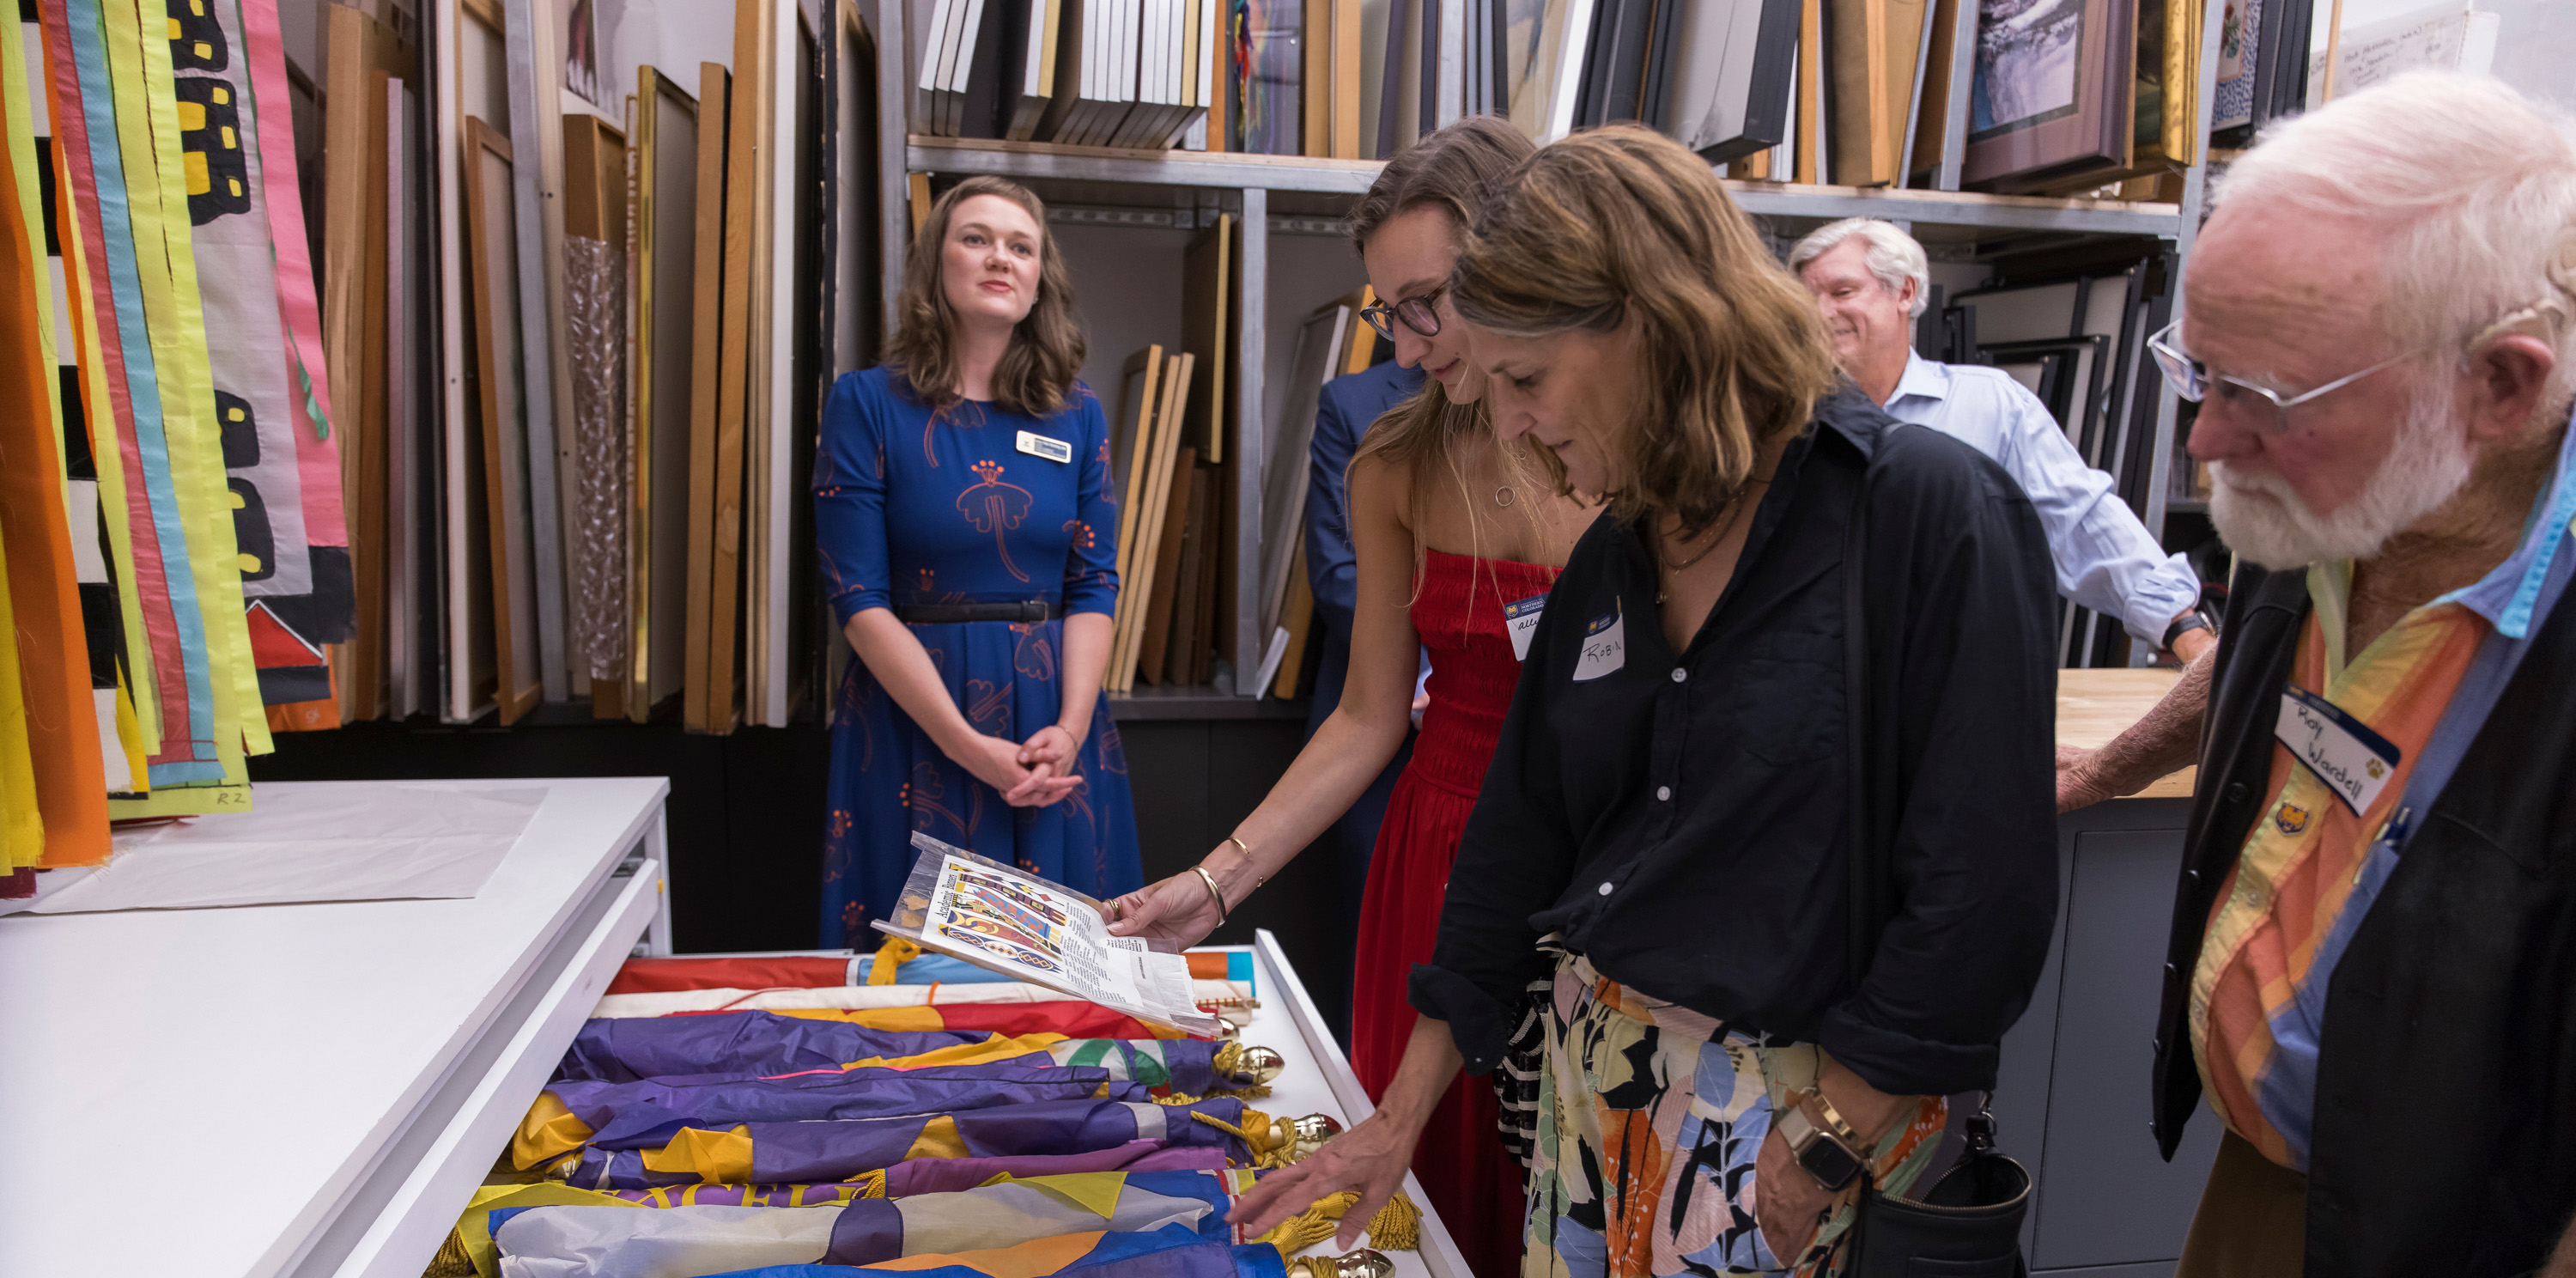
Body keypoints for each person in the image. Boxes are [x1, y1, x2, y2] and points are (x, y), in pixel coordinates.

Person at [1232, 125, 2060, 1276]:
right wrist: (1398, 1117)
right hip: (1601, 1116)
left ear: (1653, 325)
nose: (1512, 419)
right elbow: (1514, 853)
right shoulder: (1620, 551)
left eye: (1527, 378)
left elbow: (1985, 887)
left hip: (1809, 1141)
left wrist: (1827, 1135)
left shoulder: (1923, 515)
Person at [1102, 116, 1597, 1277]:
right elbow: (1370, 715)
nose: (1412, 342)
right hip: (1435, 861)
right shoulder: (1393, 465)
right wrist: (1215, 880)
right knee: (1411, 1203)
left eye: (1430, 302)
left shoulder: (1622, 452)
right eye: (1390, 311)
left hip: (1593, 874)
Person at [2140, 74, 2576, 1276]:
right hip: (2267, 1185)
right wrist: (2106, 766)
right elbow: (2259, 664)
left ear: (2502, 387)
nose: (2205, 444)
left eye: (2263, 398)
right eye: (2200, 371)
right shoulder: (2345, 487)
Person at [812, 175, 1139, 948]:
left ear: (1038, 283)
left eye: (1020, 247)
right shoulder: (866, 404)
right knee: (914, 973)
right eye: (976, 238)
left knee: (1066, 968)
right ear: (937, 265)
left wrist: (1070, 725)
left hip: (1054, 726)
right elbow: (857, 595)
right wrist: (965, 745)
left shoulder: (1077, 412)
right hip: (916, 722)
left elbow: (1093, 582)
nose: (1000, 257)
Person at [1789, 217, 2219, 666]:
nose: (1819, 314)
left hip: (1946, 679)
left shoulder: (1991, 405)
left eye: (1841, 293)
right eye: (1806, 299)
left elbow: (2078, 520)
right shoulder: (1778, 416)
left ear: (1905, 292)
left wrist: (2182, 625)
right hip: (1814, 677)